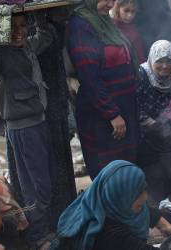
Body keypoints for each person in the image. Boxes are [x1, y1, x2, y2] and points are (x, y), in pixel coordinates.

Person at [0, 12, 56, 249]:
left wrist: (42, 16)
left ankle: (38, 232)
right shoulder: (0, 54)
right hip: (24, 127)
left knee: (35, 184)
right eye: (11, 27)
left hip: (36, 123)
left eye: (22, 25)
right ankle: (38, 236)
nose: (18, 31)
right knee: (37, 186)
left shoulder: (27, 47)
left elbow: (44, 37)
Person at [66, 0, 140, 178]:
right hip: (101, 117)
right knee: (108, 174)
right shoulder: (80, 24)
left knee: (127, 170)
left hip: (124, 108)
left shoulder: (104, 21)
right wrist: (112, 113)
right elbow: (89, 76)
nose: (110, 4)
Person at [55, 160, 171, 250]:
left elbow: (145, 210)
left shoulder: (100, 200)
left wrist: (163, 224)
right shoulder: (107, 232)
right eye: (138, 203)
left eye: (143, 189)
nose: (144, 198)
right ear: (117, 197)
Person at [137, 40, 171, 129]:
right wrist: (152, 124)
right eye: (159, 61)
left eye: (169, 61)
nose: (164, 66)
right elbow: (134, 104)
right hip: (146, 129)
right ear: (152, 59)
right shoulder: (141, 74)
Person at [110, 0, 147, 64]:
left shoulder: (134, 31)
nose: (130, 15)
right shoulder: (109, 25)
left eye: (133, 11)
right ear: (118, 8)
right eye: (126, 10)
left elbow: (140, 57)